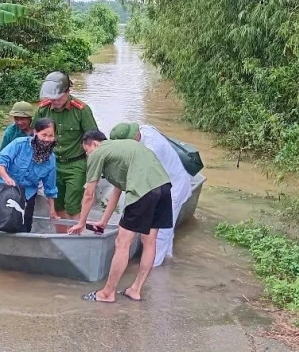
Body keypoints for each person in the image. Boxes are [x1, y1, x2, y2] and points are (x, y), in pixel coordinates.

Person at [68, 130, 173, 303]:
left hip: (143, 192)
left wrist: (81, 223)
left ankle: (107, 293)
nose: (88, 155)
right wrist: (103, 221)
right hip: (164, 188)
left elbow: (89, 194)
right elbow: (117, 191)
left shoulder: (98, 152)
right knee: (150, 241)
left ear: (93, 144)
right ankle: (135, 290)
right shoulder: (123, 149)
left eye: (86, 151)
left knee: (122, 243)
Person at [109, 122, 193, 267]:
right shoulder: (144, 129)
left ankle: (155, 270)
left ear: (133, 139)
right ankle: (168, 258)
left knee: (159, 232)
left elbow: (139, 184)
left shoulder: (150, 149)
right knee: (166, 229)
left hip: (173, 185)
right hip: (164, 180)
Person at [34, 71, 99, 228]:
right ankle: (63, 240)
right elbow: (34, 136)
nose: (54, 101)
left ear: (68, 92)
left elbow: (93, 139)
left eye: (58, 98)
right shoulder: (43, 109)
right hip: (52, 164)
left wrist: (95, 168)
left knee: (73, 204)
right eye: (52, 98)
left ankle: (75, 240)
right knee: (56, 204)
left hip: (75, 164)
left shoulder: (81, 110)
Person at [0, 118, 59, 232]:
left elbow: (50, 187)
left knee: (24, 227)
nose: (47, 139)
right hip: (6, 190)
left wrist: (52, 210)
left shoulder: (51, 159)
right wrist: (6, 178)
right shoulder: (19, 144)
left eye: (51, 136)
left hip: (28, 194)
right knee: (1, 226)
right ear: (35, 133)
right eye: (44, 135)